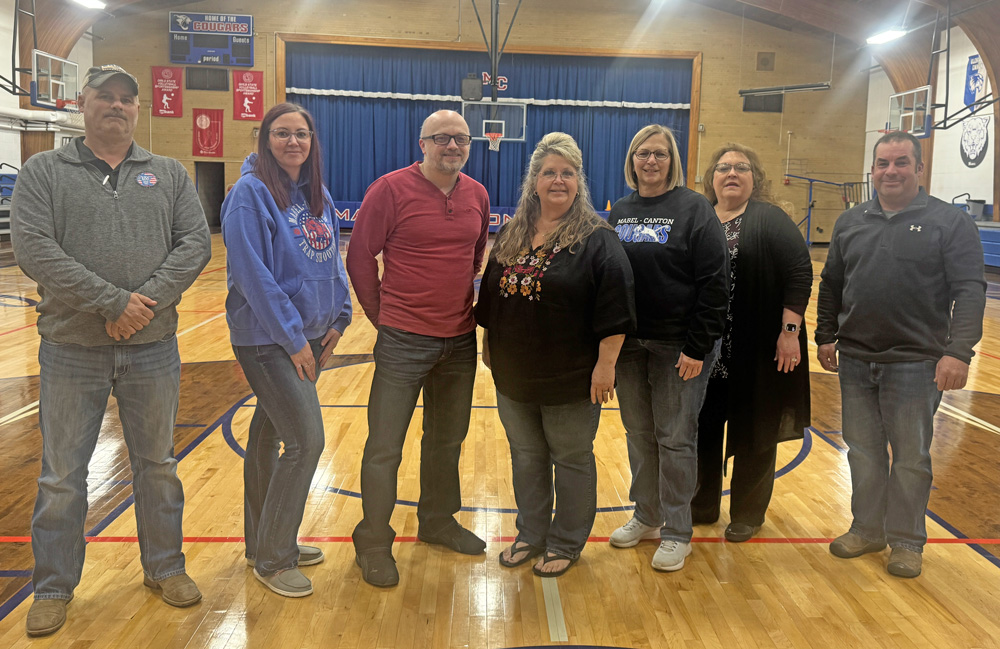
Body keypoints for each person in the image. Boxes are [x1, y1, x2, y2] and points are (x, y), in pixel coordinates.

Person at [10, 64, 211, 637]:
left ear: (138, 108)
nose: (117, 107)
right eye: (106, 97)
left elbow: (195, 243)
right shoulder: (44, 171)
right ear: (83, 103)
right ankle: (52, 587)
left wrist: (140, 302)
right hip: (72, 350)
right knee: (61, 478)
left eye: (128, 99)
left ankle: (165, 567)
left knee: (158, 466)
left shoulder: (168, 173)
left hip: (153, 348)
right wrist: (111, 303)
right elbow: (34, 250)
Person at [816, 131, 986, 578]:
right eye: (883, 163)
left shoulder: (949, 222)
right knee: (863, 452)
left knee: (911, 456)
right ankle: (867, 529)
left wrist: (959, 352)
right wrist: (825, 335)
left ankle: (908, 541)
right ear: (872, 170)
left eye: (901, 163)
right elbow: (832, 283)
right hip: (855, 360)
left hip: (916, 362)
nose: (891, 171)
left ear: (919, 168)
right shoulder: (851, 221)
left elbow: (969, 290)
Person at [474, 133, 635, 578]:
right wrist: (491, 348)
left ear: (578, 181)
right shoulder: (513, 231)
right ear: (534, 180)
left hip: (572, 377)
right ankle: (530, 533)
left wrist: (606, 367)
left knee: (570, 459)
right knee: (526, 457)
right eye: (549, 172)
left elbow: (617, 309)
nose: (558, 181)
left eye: (567, 173)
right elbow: (490, 295)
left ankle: (566, 541)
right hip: (515, 376)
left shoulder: (597, 239)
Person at [346, 109, 490, 587]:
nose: (453, 146)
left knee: (447, 440)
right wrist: (380, 315)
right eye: (443, 138)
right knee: (385, 447)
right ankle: (372, 539)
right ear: (423, 143)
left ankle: (438, 522)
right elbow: (359, 255)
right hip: (403, 339)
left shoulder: (477, 195)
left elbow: (474, 256)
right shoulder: (389, 189)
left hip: (459, 340)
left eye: (461, 139)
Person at [221, 103, 352, 597]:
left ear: (312, 141)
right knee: (305, 442)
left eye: (301, 134)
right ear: (265, 138)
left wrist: (339, 316)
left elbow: (331, 261)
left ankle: (263, 542)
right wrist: (295, 338)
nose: (292, 141)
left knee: (266, 437)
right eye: (282, 133)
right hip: (268, 339)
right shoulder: (250, 194)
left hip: (311, 336)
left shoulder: (318, 195)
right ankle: (275, 558)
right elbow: (253, 276)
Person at [606, 124, 729, 572]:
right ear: (632, 159)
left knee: (675, 439)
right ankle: (647, 516)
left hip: (681, 346)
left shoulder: (694, 208)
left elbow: (716, 283)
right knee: (640, 436)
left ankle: (678, 532)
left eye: (659, 153)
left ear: (671, 160)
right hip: (630, 347)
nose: (651, 161)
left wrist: (698, 347)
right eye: (643, 153)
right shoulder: (620, 210)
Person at [690, 143, 812, 542]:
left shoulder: (770, 218)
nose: (731, 173)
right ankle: (701, 505)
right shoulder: (699, 216)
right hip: (705, 353)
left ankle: (746, 513)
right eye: (723, 167)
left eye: (741, 167)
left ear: (754, 178)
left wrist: (789, 333)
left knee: (756, 433)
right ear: (712, 177)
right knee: (700, 431)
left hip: (759, 351)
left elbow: (799, 273)